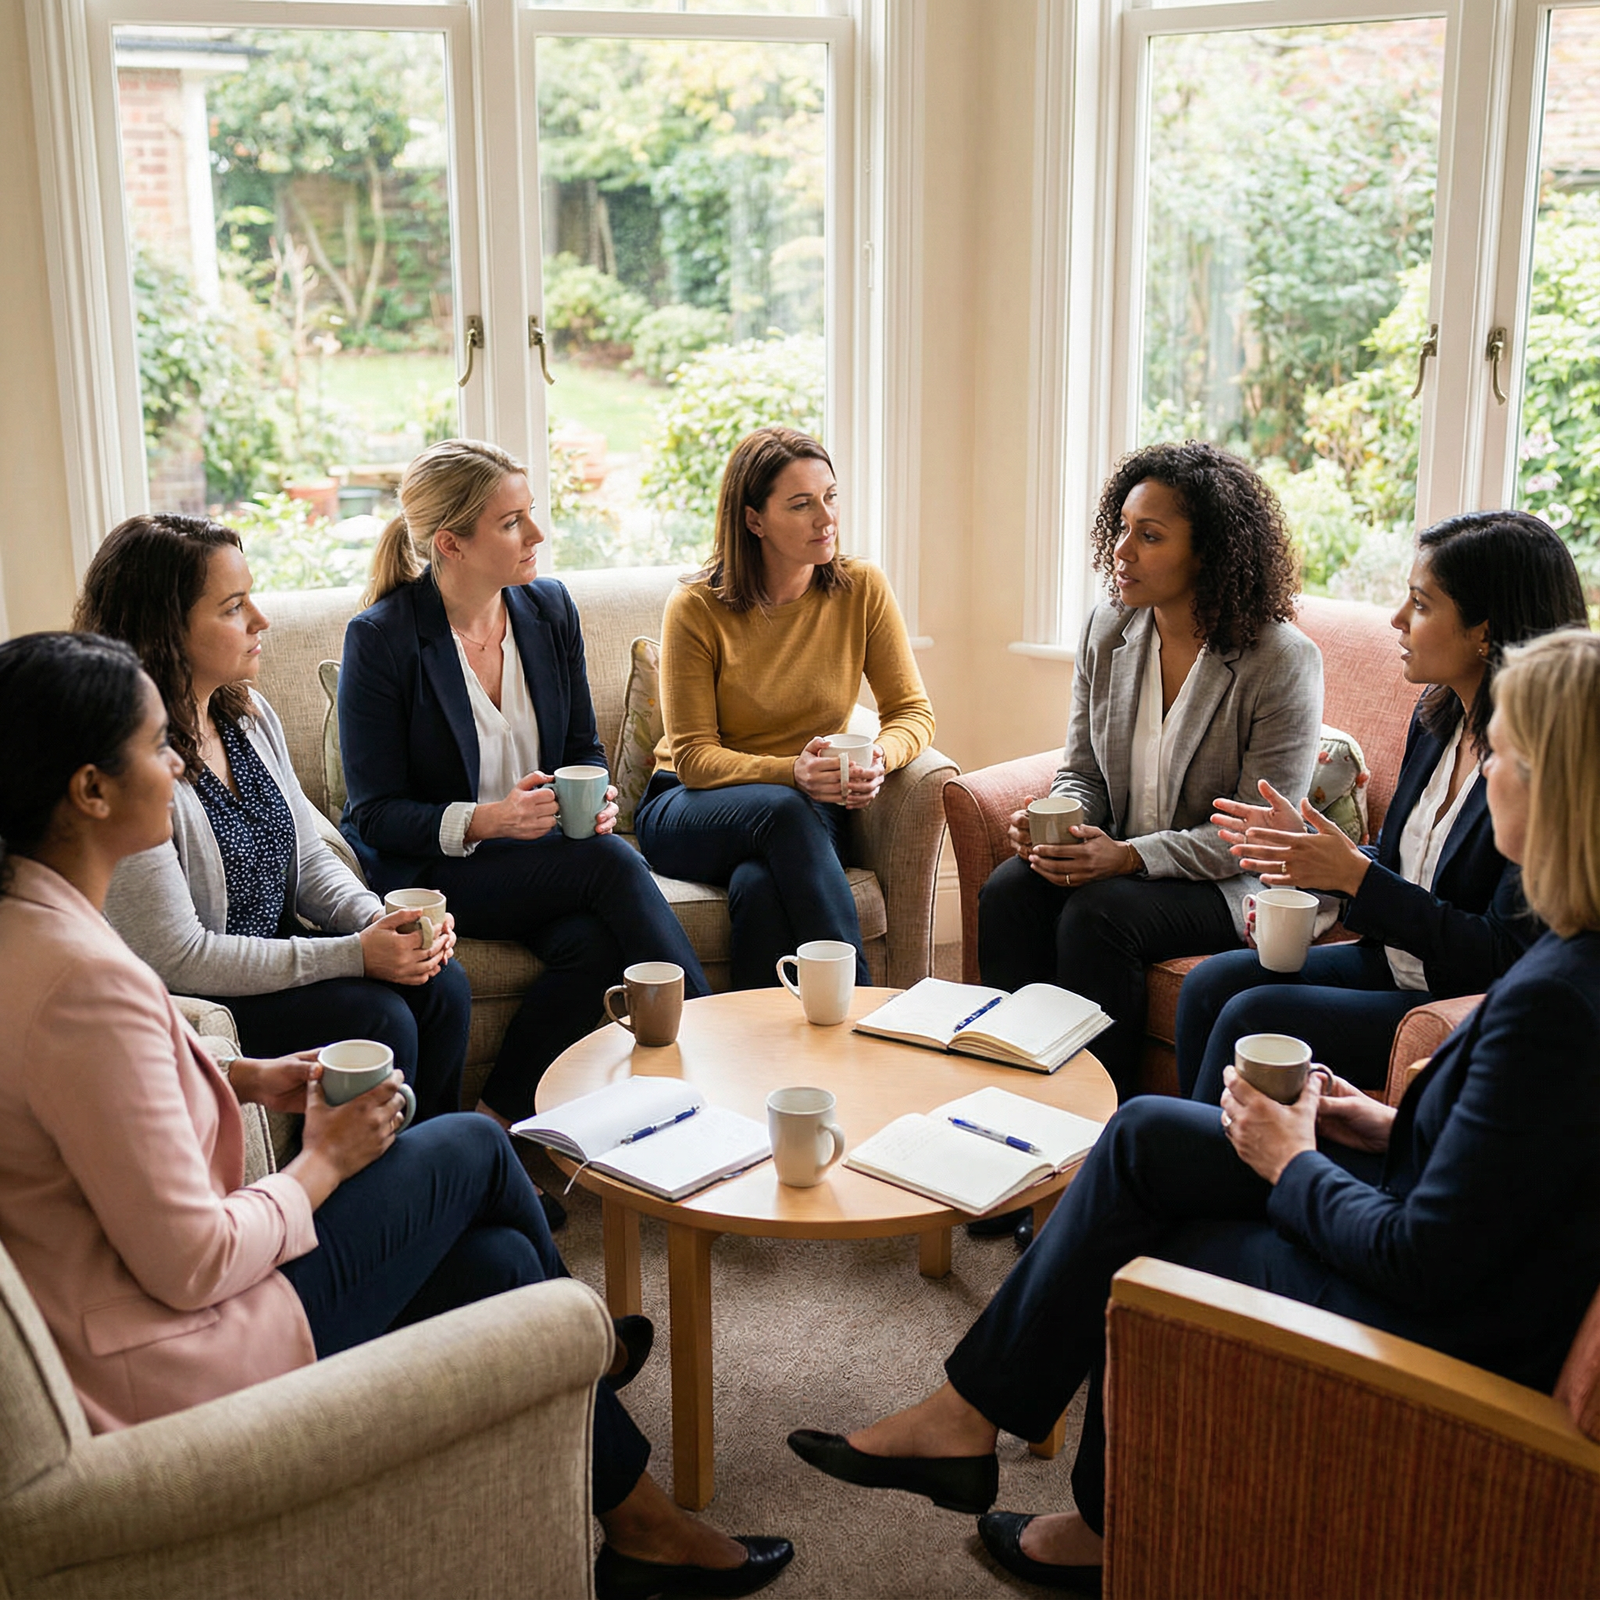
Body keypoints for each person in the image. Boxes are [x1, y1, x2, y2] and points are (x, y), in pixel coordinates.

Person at [787, 624, 1600, 1595]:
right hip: (1430, 1224)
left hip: (1435, 1323)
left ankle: (1105, 1524)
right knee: (1142, 1136)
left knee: (1157, 1248)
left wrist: (1289, 1161)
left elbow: (1421, 1260)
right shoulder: (1567, 951)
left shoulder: (1558, 998)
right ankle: (967, 1417)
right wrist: (1375, 1123)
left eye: (1504, 754)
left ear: (1557, 785)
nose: (1488, 773)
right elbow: (1517, 1169)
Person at [0, 631, 793, 1600]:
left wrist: (247, 1075)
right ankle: (631, 1480)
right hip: (172, 1360)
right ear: (88, 789)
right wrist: (321, 1164)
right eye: (157, 745)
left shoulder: (29, 929)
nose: (175, 763)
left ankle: (615, 1464)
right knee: (467, 1145)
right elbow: (192, 1259)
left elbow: (88, 1094)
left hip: (130, 1318)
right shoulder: (82, 979)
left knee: (503, 1270)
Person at [338, 438, 710, 1127]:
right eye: (512, 523)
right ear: (450, 543)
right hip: (440, 868)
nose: (537, 534)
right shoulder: (383, 638)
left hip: (545, 862)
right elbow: (377, 813)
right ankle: (719, 1038)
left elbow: (581, 749)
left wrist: (596, 795)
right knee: (609, 862)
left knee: (593, 946)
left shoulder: (548, 609)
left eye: (530, 513)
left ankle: (500, 1124)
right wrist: (488, 820)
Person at [1177, 509, 1587, 1103]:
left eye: (1420, 605)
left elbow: (1501, 954)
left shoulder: (1531, 771)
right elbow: (1411, 868)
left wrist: (1355, 876)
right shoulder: (1436, 717)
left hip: (1444, 995)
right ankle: (1200, 1159)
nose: (1396, 619)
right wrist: (1319, 853)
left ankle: (1207, 1167)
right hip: (1391, 962)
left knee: (1253, 1014)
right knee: (1210, 984)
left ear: (1485, 631)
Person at [77, 513, 470, 1123]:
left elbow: (308, 853)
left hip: (277, 956)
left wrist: (381, 923)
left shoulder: (248, 716)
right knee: (379, 1016)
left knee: (442, 984)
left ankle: (439, 1168)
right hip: (209, 990)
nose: (260, 620)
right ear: (163, 630)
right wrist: (352, 956)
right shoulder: (128, 767)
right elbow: (176, 955)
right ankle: (371, 1187)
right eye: (234, 607)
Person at [977, 441, 1323, 1106]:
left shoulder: (1280, 661)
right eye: (1123, 529)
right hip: (1123, 858)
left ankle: (1098, 1122)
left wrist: (1128, 859)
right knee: (1011, 890)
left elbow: (1251, 836)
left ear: (1210, 551)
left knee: (1100, 915)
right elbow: (1082, 770)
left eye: (1151, 535)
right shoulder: (1110, 629)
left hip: (1227, 879)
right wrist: (1063, 822)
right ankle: (1010, 1096)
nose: (1122, 550)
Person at [634, 426, 935, 990]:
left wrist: (879, 757)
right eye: (801, 504)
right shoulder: (697, 606)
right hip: (689, 806)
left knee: (758, 886)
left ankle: (758, 1052)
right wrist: (791, 771)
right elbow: (695, 758)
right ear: (754, 520)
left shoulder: (861, 588)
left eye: (831, 496)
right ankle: (866, 1006)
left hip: (803, 811)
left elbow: (912, 712)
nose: (827, 518)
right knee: (784, 810)